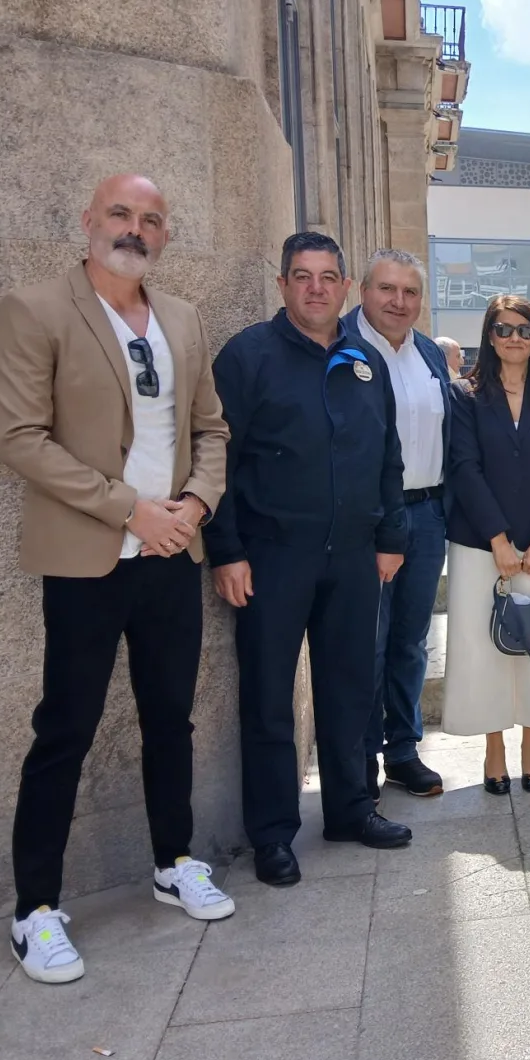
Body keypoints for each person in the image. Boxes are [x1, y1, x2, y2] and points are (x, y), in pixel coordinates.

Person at [0, 174, 234, 983]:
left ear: (165, 236)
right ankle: (35, 910)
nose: (135, 228)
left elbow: (209, 429)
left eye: (152, 219)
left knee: (171, 720)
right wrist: (133, 510)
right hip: (90, 558)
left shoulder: (183, 319)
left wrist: (193, 506)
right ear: (90, 220)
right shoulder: (37, 309)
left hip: (172, 556)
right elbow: (23, 439)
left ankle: (174, 861)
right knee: (65, 729)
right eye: (122, 214)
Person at [206, 232, 413, 888]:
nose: (316, 288)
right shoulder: (248, 357)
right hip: (272, 558)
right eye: (303, 276)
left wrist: (391, 537)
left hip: (353, 556)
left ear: (345, 288)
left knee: (351, 687)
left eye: (328, 277)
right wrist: (227, 551)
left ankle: (352, 809)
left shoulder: (365, 361)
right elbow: (218, 460)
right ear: (284, 285)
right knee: (268, 697)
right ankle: (272, 835)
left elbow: (387, 459)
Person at [441, 295, 530, 791]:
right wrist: (498, 538)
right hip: (481, 544)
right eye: (504, 329)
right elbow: (465, 467)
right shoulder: (465, 395)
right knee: (486, 649)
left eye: (526, 330)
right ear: (489, 336)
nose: (515, 338)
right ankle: (494, 748)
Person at [349, 251, 453, 799]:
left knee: (412, 641)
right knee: (369, 642)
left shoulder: (430, 354)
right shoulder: (342, 348)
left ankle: (404, 749)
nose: (398, 302)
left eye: (410, 292)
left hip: (427, 514)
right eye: (387, 289)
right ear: (363, 291)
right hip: (368, 521)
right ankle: (362, 756)